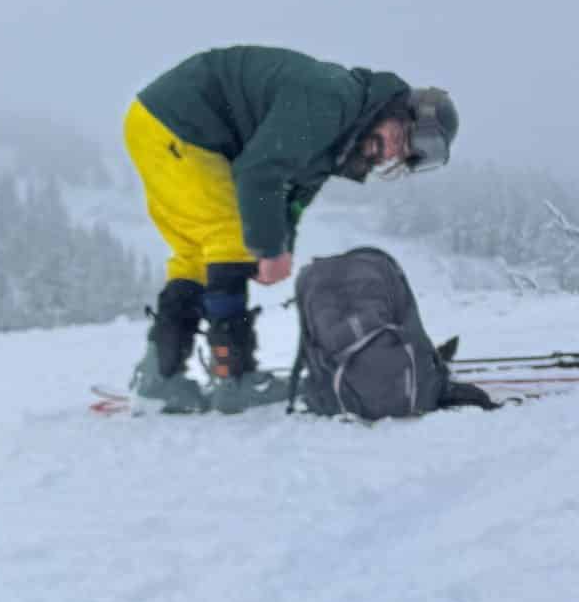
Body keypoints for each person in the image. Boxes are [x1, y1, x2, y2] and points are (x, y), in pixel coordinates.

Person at [122, 45, 458, 412]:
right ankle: (234, 379)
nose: (397, 152)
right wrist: (267, 249)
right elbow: (260, 173)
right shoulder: (331, 101)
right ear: (399, 110)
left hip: (163, 127)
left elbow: (293, 197)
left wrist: (281, 243)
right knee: (228, 240)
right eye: (406, 137)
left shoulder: (338, 136)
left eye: (410, 155)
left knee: (195, 256)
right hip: (182, 126)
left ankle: (160, 375)